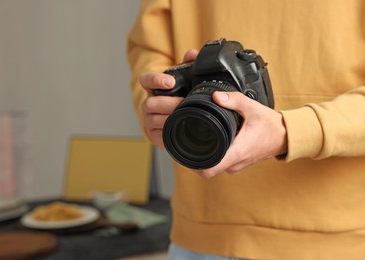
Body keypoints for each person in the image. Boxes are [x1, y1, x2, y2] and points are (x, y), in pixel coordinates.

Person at [127, 0, 365, 259]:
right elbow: (149, 49)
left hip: (336, 242)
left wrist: (291, 130)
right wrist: (157, 105)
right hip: (201, 238)